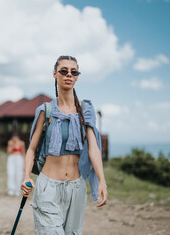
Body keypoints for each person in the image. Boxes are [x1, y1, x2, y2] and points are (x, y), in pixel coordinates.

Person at [21, 55, 108, 234]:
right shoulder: (46, 111)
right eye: (64, 71)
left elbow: (93, 148)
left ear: (77, 76)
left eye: (73, 71)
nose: (69, 74)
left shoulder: (85, 110)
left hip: (76, 188)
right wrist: (26, 177)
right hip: (48, 188)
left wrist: (102, 181)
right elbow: (31, 149)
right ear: (55, 74)